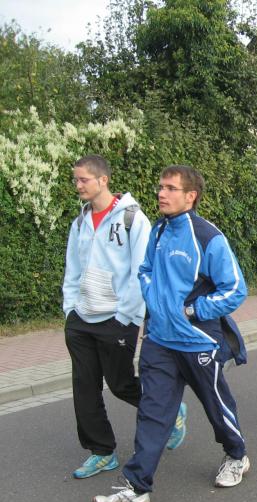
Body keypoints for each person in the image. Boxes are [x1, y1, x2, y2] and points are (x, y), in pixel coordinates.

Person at [93, 165, 249, 502]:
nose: (161, 194)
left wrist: (193, 311)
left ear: (190, 196)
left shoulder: (208, 236)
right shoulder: (159, 230)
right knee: (152, 413)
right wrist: (154, 300)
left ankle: (236, 455)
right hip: (159, 341)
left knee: (216, 407)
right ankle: (136, 490)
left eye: (170, 188)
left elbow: (236, 289)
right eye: (160, 187)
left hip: (197, 342)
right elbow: (145, 270)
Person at [63, 155, 188, 480]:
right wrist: (70, 308)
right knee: (84, 388)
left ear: (102, 180)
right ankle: (101, 451)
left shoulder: (132, 219)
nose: (78, 185)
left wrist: (126, 316)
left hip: (117, 318)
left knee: (119, 384)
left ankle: (170, 410)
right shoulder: (79, 223)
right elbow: (72, 269)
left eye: (83, 180)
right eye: (76, 180)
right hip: (81, 318)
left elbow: (139, 272)